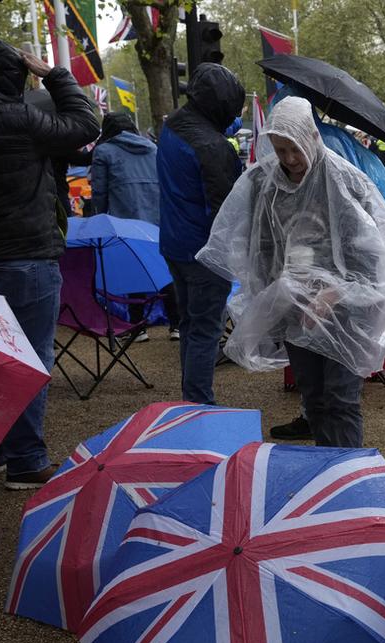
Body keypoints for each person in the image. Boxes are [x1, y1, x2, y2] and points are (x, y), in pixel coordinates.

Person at [197, 96, 385, 449]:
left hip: (345, 311)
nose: (290, 159)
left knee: (341, 399)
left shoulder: (343, 181)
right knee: (314, 398)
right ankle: (328, 471)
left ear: (310, 137)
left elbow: (373, 255)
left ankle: (349, 476)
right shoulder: (264, 183)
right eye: (281, 150)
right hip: (295, 307)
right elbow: (259, 248)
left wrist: (336, 292)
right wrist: (277, 299)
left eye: (295, 149)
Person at [0, 38, 99, 490]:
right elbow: (85, 123)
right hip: (27, 256)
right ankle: (27, 460)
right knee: (30, 360)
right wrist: (53, 74)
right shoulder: (18, 117)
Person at [157, 62, 246, 406]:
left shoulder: (173, 125)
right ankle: (198, 403)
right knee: (206, 330)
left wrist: (232, 127)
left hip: (175, 245)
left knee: (191, 325)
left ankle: (191, 398)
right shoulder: (214, 148)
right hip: (205, 252)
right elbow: (227, 210)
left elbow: (213, 130)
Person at [88, 111, 180, 341]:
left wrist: (98, 217)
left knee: (133, 271)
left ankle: (138, 327)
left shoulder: (104, 151)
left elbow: (99, 192)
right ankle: (177, 325)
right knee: (163, 272)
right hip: (157, 220)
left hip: (124, 220)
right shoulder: (152, 148)